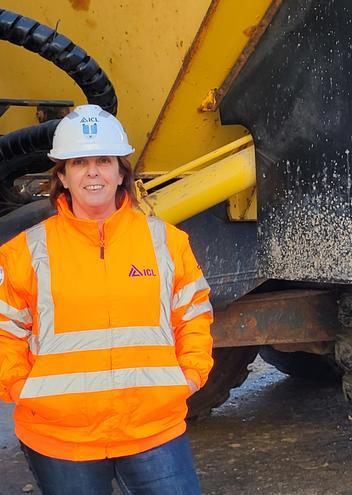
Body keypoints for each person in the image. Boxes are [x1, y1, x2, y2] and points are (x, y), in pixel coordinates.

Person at [0, 104, 214, 494]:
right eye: (79, 162)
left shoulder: (165, 242)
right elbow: (4, 331)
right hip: (61, 439)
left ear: (121, 172)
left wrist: (191, 374)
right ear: (62, 176)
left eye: (104, 160)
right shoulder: (25, 252)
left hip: (153, 430)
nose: (93, 171)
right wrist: (21, 388)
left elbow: (193, 314)